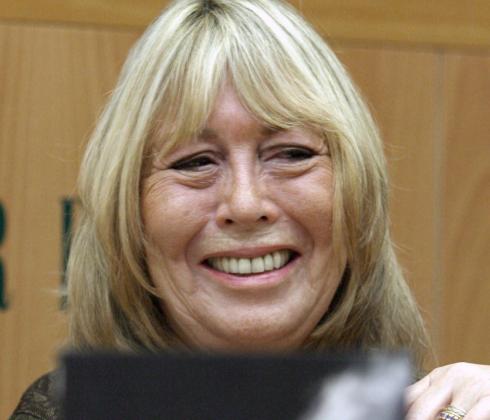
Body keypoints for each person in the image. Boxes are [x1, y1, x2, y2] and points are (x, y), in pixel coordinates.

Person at [11, 0, 490, 419]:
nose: (245, 204)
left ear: (358, 195)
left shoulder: (439, 412)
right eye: (195, 162)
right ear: (130, 216)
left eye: (291, 154)